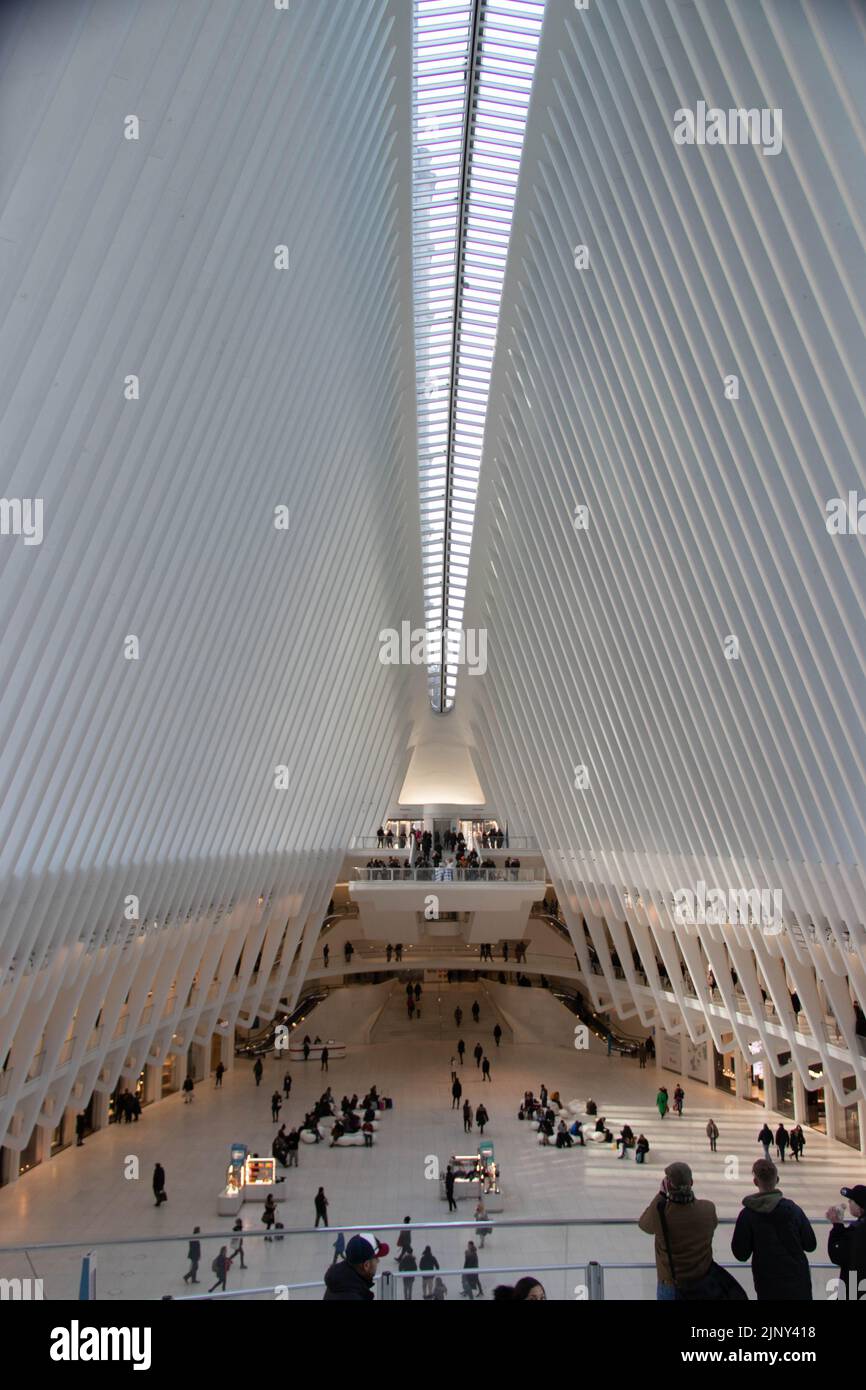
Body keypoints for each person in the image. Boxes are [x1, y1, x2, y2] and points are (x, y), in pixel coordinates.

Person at [731, 1159, 815, 1300]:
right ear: (777, 1179)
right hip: (798, 1281)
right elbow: (810, 1244)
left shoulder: (747, 1215)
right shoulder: (793, 1210)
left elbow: (741, 1254)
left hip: (767, 1283)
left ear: (755, 1182)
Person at [638, 1162, 718, 1300]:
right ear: (692, 1182)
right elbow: (713, 1225)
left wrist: (661, 1195)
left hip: (671, 1285)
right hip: (702, 1282)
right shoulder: (708, 1208)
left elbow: (644, 1224)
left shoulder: (662, 1213)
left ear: (668, 1185)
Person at [826, 1184, 866, 1298]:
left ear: (860, 1206)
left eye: (851, 1200)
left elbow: (837, 1254)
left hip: (855, 1287)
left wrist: (837, 1225)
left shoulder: (858, 1230)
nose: (848, 1202)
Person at [323, 1232, 389, 1301]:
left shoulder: (338, 1281)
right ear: (366, 1265)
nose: (378, 1261)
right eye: (376, 1258)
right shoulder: (354, 1294)